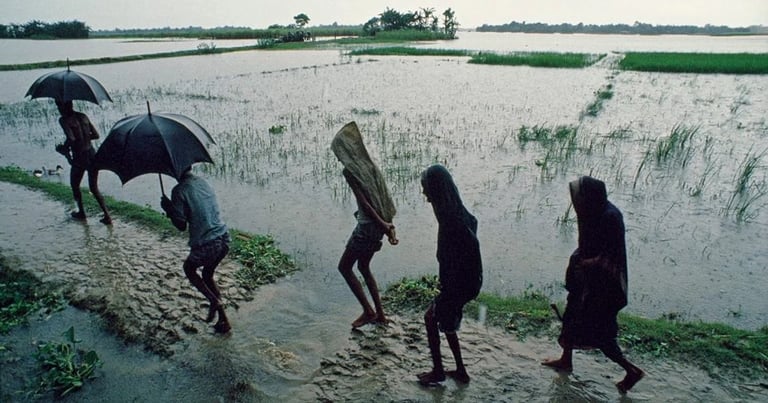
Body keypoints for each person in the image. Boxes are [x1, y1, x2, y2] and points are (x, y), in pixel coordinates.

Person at [542, 176, 644, 394]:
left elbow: (609, 256)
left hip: (602, 288)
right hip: (585, 281)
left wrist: (586, 263)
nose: (577, 202)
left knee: (602, 334)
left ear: (590, 198)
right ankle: (565, 359)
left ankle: (631, 371)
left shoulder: (610, 218)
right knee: (570, 318)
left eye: (579, 197)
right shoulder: (594, 212)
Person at [417, 164, 482, 386]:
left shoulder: (450, 223)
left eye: (425, 188)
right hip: (467, 283)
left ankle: (438, 371)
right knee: (448, 324)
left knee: (431, 318)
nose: (424, 193)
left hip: (458, 285)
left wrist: (446, 290)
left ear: (435, 190)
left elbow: (453, 260)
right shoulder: (458, 213)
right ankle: (460, 371)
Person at [331, 122, 398, 329]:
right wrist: (387, 226)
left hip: (368, 227)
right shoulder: (370, 166)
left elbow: (367, 204)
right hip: (377, 228)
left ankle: (369, 311)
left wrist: (385, 226)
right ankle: (380, 314)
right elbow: (383, 200)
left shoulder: (350, 172)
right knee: (364, 266)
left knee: (344, 267)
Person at [161, 168, 231, 334]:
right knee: (207, 275)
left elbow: (181, 225)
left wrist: (168, 209)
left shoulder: (179, 190)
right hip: (224, 238)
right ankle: (224, 320)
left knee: (189, 269)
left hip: (207, 243)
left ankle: (214, 301)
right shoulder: (202, 181)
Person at [55, 100, 112, 225]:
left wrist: (64, 150)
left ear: (64, 106)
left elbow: (71, 138)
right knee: (94, 187)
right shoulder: (83, 116)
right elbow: (96, 135)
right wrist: (84, 138)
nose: (58, 109)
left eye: (59, 106)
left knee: (75, 185)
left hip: (79, 156)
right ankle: (107, 215)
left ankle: (81, 212)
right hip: (92, 154)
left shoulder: (64, 120)